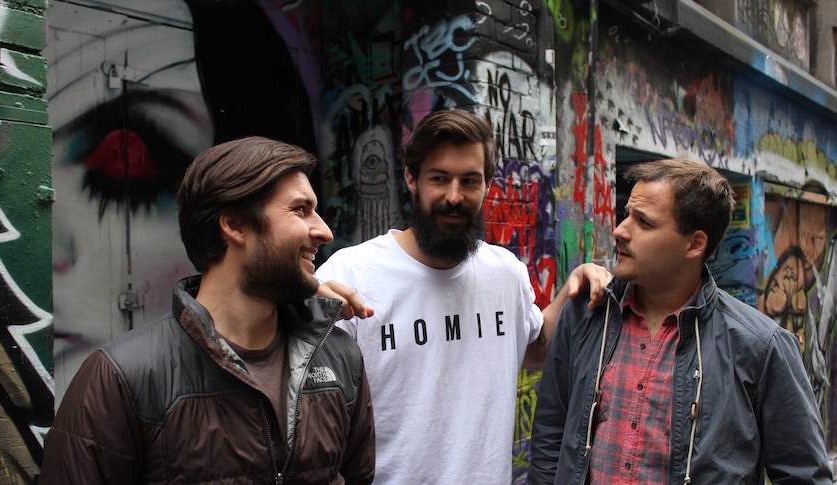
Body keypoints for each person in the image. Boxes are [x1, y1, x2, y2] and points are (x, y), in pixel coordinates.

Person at [40, 137, 375, 484]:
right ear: (234, 225)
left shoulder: (339, 356)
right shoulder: (121, 377)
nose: (324, 231)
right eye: (300, 210)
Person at [315, 109, 612, 483]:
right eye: (439, 179)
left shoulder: (505, 273)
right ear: (411, 178)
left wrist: (575, 287)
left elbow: (534, 348)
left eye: (469, 181)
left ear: (488, 184)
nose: (454, 197)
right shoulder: (349, 273)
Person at [527, 159, 833, 484]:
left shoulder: (760, 346)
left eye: (643, 222)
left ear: (695, 244)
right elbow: (550, 435)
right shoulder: (585, 314)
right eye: (627, 214)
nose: (619, 230)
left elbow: (804, 475)